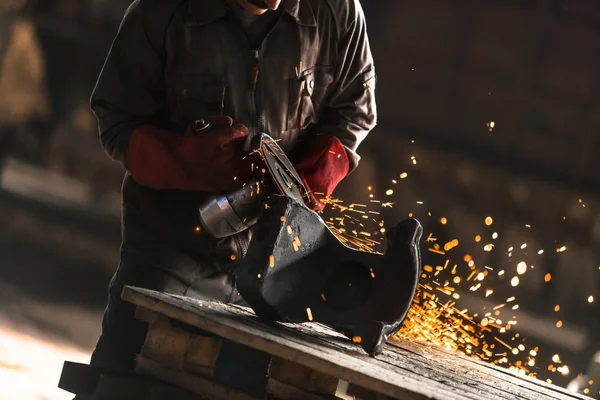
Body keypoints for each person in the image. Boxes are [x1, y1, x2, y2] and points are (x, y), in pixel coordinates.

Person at [89, 0, 376, 371]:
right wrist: (182, 160)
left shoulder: (335, 12)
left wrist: (307, 181)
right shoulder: (161, 12)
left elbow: (354, 109)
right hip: (173, 250)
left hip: (276, 261)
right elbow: (117, 121)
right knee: (127, 375)